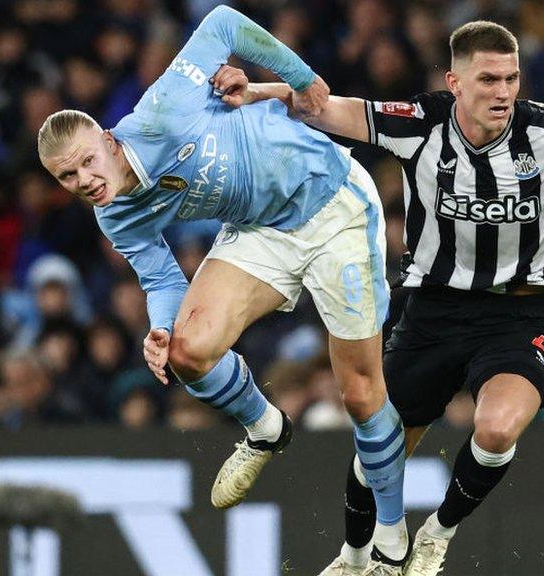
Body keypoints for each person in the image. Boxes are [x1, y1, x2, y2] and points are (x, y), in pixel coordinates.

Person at [216, 20, 544, 576]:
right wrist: (261, 90)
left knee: (498, 427)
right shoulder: (418, 123)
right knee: (379, 450)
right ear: (455, 82)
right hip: (432, 310)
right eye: (488, 79)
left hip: (522, 311)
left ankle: (438, 532)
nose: (503, 92)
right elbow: (321, 106)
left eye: (511, 78)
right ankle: (356, 558)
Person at [36, 6, 410, 573]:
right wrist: (161, 328)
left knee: (360, 393)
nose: (84, 181)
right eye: (67, 177)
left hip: (331, 204)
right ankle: (265, 428)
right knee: (187, 353)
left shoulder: (164, 110)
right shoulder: (113, 216)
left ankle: (390, 538)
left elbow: (225, 24)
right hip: (259, 230)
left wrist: (305, 82)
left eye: (86, 162)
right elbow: (161, 276)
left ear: (108, 141)